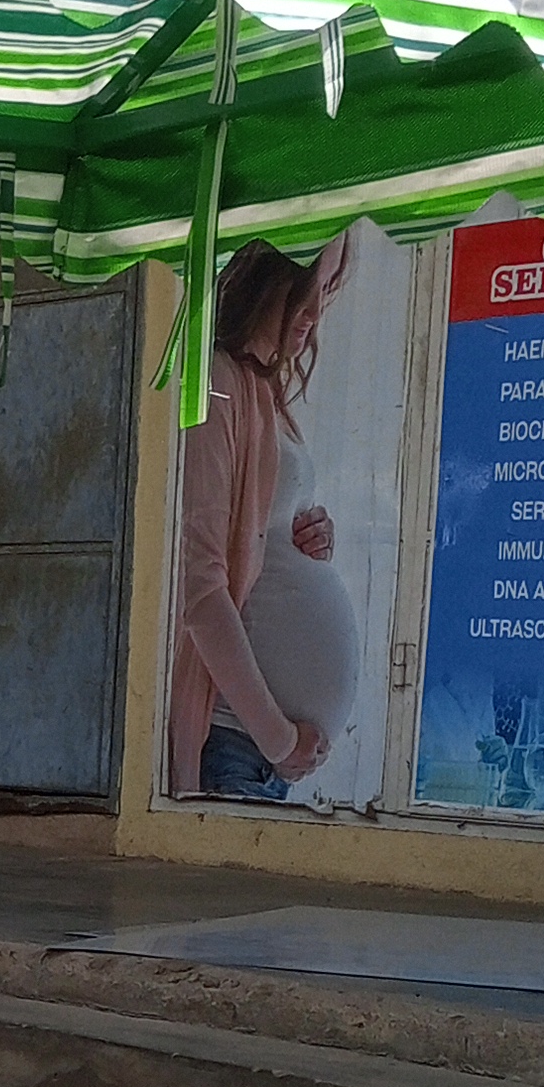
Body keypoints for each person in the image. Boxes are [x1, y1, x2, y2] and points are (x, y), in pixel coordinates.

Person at [170, 238, 346, 800]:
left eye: (329, 292)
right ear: (274, 280)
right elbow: (197, 587)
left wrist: (312, 531)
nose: (318, 313)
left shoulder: (264, 391)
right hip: (236, 746)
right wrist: (277, 738)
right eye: (311, 289)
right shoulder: (218, 387)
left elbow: (261, 535)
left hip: (257, 754)